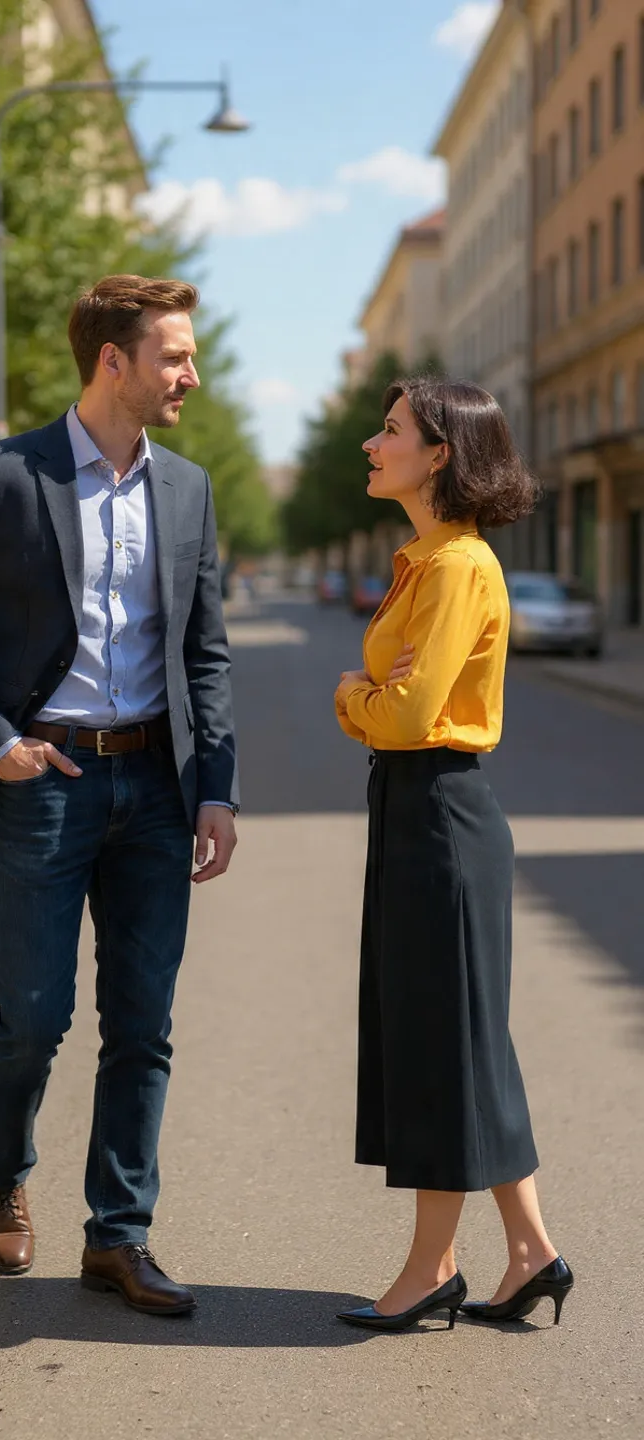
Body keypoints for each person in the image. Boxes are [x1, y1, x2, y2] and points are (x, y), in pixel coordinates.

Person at [0, 274, 239, 1316]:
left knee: (143, 1023)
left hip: (158, 787)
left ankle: (119, 1236)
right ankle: (0, 1171)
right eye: (174, 356)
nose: (190, 375)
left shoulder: (188, 489)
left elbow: (205, 652)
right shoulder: (3, 475)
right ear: (113, 362)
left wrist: (216, 788)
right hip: (44, 781)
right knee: (33, 1015)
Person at [333, 377, 573, 1333]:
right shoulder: (422, 562)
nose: (370, 442)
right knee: (467, 1036)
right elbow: (397, 710)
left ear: (440, 454)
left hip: (438, 809)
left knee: (444, 1039)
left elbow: (406, 715)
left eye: (390, 429)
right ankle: (532, 1253)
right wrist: (377, 699)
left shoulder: (458, 568)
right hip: (417, 808)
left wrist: (350, 696)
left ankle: (431, 1268)